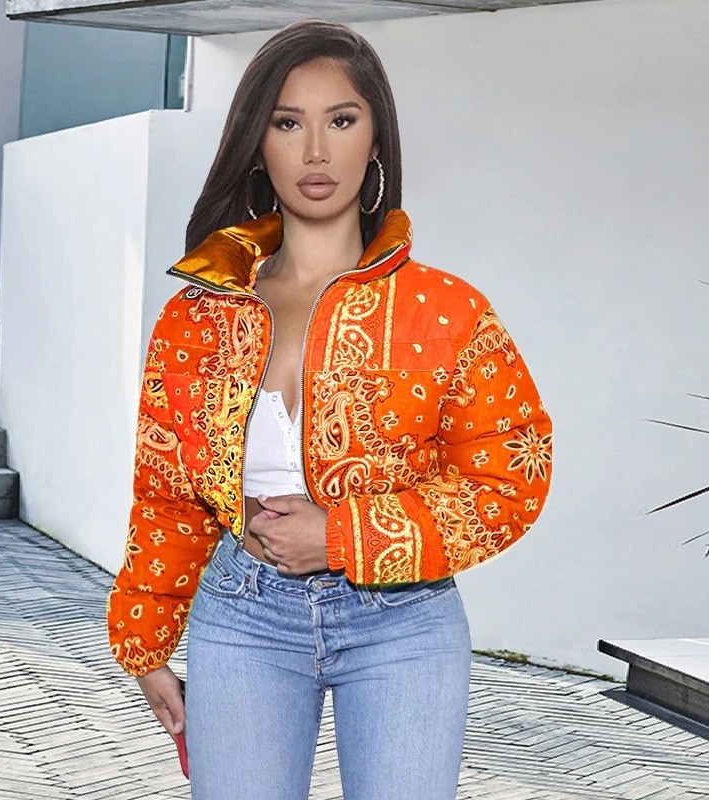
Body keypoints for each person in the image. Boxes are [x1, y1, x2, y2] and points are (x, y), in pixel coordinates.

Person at [106, 17, 553, 800]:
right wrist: (143, 640)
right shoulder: (199, 315)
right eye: (288, 123)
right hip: (242, 616)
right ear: (258, 143)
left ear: (375, 140)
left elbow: (509, 481)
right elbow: (167, 490)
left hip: (404, 623)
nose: (316, 151)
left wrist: (343, 535)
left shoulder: (447, 311)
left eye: (341, 121)